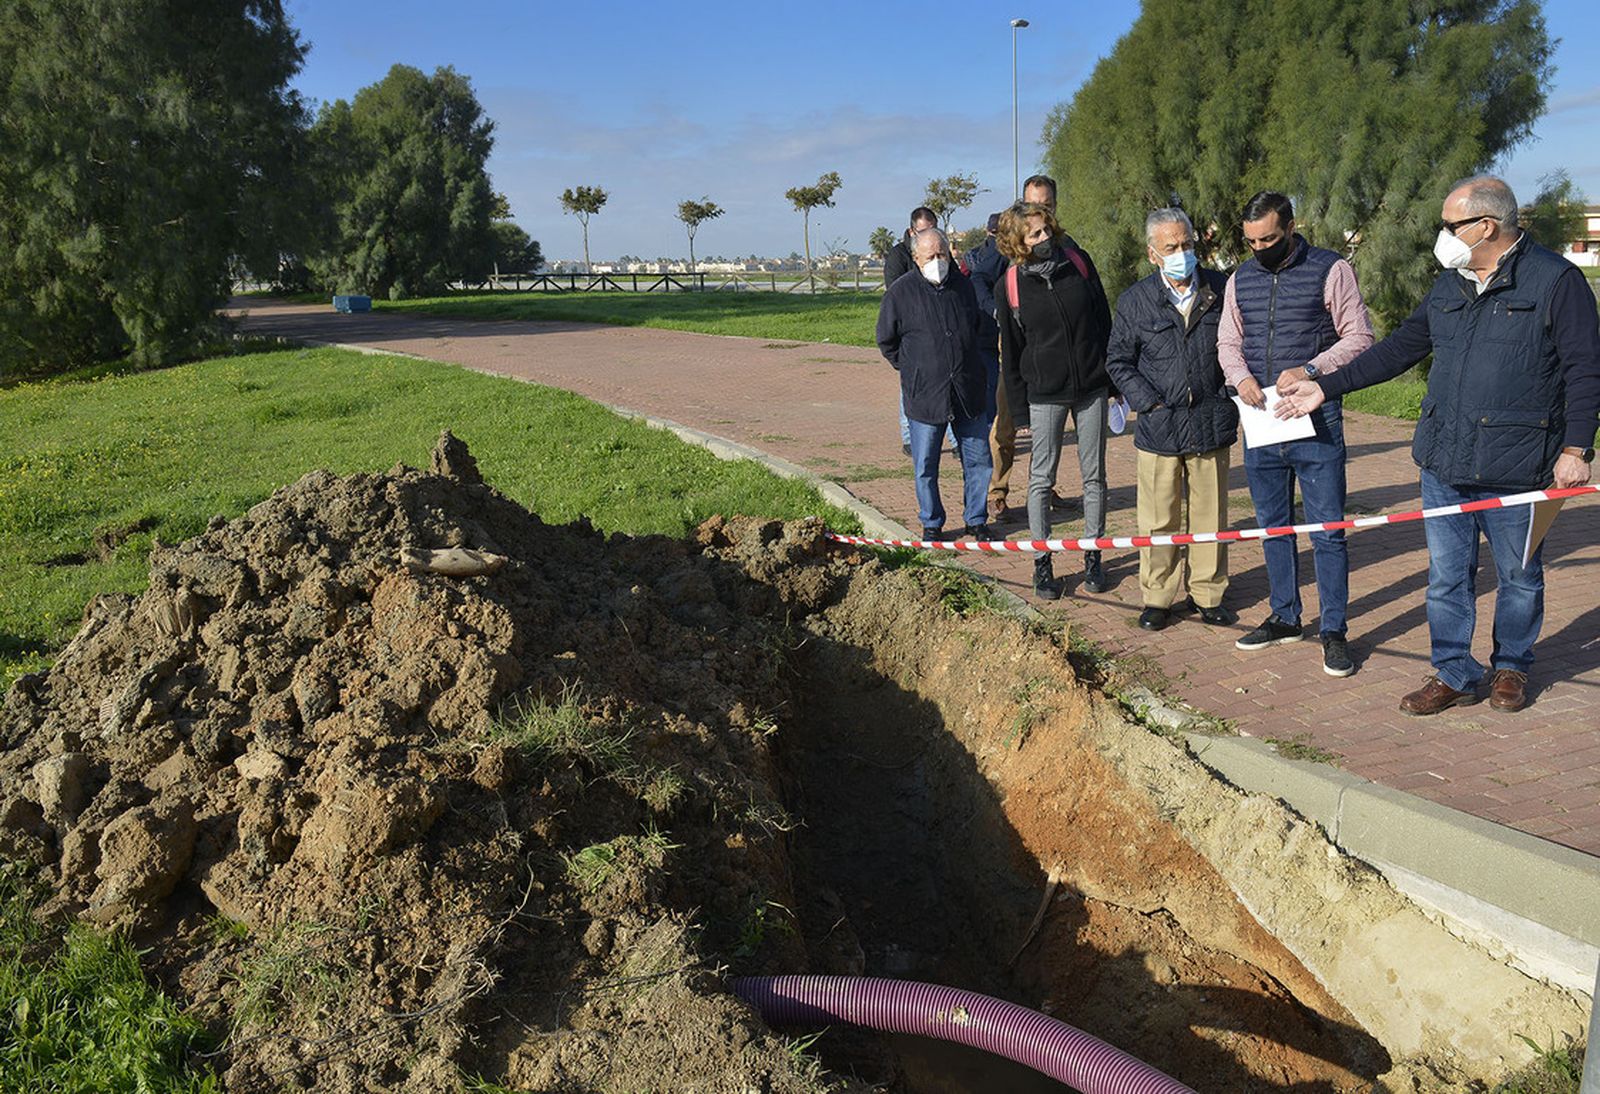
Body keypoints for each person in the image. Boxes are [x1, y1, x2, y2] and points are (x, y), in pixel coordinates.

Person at [1276, 175, 1600, 715]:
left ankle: (1512, 666)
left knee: (1519, 575)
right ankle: (1452, 672)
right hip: (1444, 459)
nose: (1442, 236)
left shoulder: (1555, 281)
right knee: (1447, 576)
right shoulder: (1450, 281)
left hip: (1520, 463)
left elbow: (1586, 369)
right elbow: (1400, 348)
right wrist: (1324, 386)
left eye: (1451, 225)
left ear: (1486, 226)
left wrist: (1576, 449)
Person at [1218, 190, 1374, 677]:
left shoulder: (1332, 270)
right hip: (1260, 419)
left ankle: (1334, 631)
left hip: (1315, 419)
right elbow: (1227, 339)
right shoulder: (1239, 278)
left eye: (1267, 238)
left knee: (1327, 530)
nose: (1259, 248)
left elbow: (1360, 337)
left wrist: (1311, 369)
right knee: (1274, 526)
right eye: (1250, 241)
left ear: (1289, 228)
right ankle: (1285, 616)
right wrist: (1239, 378)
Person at [1105, 207, 1239, 630]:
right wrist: (1148, 402)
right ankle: (1158, 597)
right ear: (1152, 254)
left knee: (1209, 516)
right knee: (1158, 518)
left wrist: (1227, 395)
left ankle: (1208, 592)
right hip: (1159, 427)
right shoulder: (1135, 301)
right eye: (1171, 247)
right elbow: (1119, 361)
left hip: (1210, 421)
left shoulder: (1220, 290)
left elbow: (1238, 347)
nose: (1182, 253)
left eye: (1187, 245)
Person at [997, 201, 1115, 600]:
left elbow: (1103, 321)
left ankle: (1093, 554)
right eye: (1035, 234)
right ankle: (1042, 561)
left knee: (1094, 476)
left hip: (1092, 387)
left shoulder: (1078, 263)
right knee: (1040, 479)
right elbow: (1011, 353)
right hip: (1044, 394)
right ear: (1018, 243)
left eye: (1047, 230)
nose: (1045, 238)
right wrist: (1019, 410)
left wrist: (1111, 377)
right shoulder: (1010, 285)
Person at [876, 227, 995, 542]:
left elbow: (979, 326)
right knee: (926, 464)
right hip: (926, 395)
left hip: (967, 390)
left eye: (942, 254)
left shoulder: (964, 288)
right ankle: (932, 522)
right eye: (930, 256)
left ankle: (977, 519)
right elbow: (886, 341)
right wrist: (913, 369)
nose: (937, 260)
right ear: (916, 257)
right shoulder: (900, 293)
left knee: (979, 458)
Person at [989, 175, 1078, 522]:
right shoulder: (1006, 243)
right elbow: (982, 281)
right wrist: (998, 310)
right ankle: (998, 491)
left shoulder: (1069, 246)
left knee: (1052, 429)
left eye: (1046, 206)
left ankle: (1046, 486)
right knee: (1006, 424)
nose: (1040, 211)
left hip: (1056, 355)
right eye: (1033, 204)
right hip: (1015, 349)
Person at [887, 206, 953, 455]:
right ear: (912, 230)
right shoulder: (898, 256)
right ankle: (909, 437)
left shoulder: (942, 254)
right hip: (912, 332)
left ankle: (955, 440)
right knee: (910, 385)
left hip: (942, 332)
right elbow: (893, 295)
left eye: (933, 230)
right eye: (924, 231)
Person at [965, 212, 1006, 431]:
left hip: (987, 327)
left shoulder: (975, 254)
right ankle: (991, 428)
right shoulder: (997, 253)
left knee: (993, 382)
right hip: (988, 328)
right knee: (992, 383)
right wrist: (995, 309)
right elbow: (976, 279)